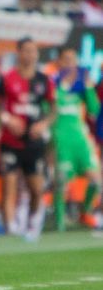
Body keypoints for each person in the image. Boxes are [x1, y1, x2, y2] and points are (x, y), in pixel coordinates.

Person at [0, 37, 55, 239]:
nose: (30, 55)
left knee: (37, 190)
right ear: (18, 52)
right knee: (8, 186)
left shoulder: (43, 80)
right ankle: (10, 230)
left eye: (33, 51)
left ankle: (30, 224)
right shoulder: (6, 78)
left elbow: (54, 109)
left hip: (34, 143)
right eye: (26, 50)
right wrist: (7, 119)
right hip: (10, 141)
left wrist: (43, 124)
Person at [52, 48, 101, 231]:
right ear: (59, 63)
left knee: (96, 180)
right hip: (61, 139)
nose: (70, 65)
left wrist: (89, 87)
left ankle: (85, 212)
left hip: (80, 139)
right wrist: (63, 85)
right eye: (66, 60)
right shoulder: (53, 84)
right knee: (61, 181)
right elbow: (52, 106)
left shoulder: (81, 88)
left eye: (73, 61)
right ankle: (60, 225)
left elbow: (94, 110)